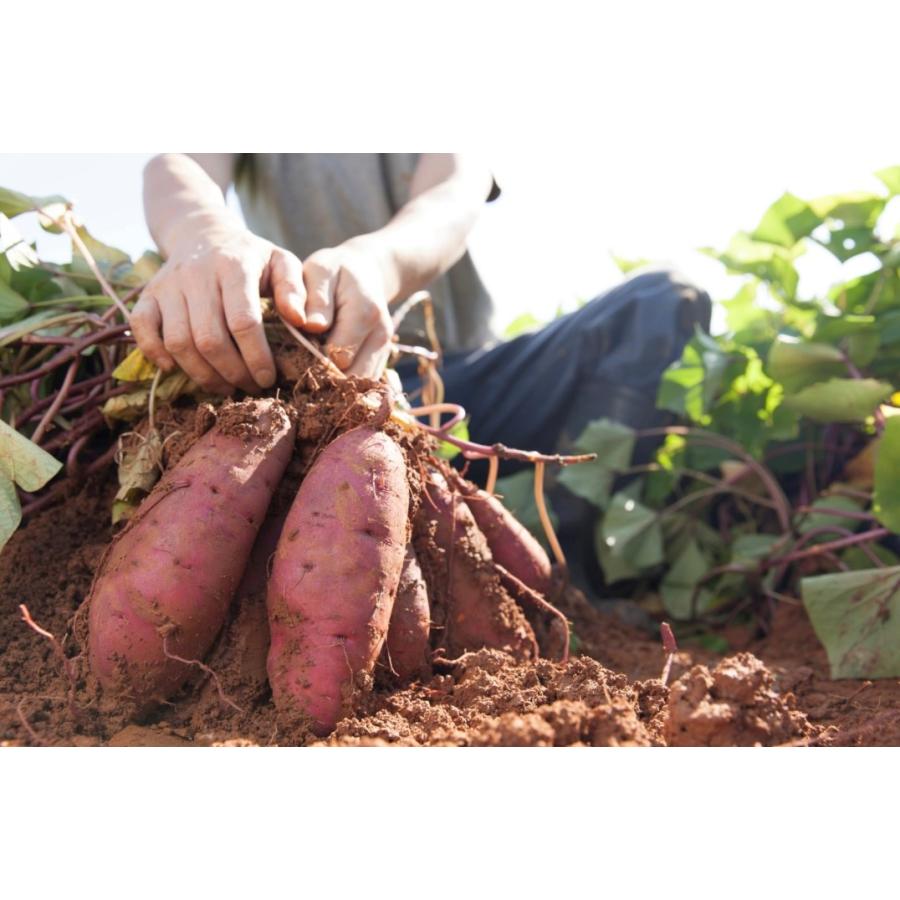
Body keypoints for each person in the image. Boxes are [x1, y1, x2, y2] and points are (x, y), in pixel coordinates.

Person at [136, 153, 711, 592]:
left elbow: (452, 193)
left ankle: (564, 576)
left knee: (663, 301)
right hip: (321, 391)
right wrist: (205, 237)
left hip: (459, 391)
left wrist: (376, 264)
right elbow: (178, 164)